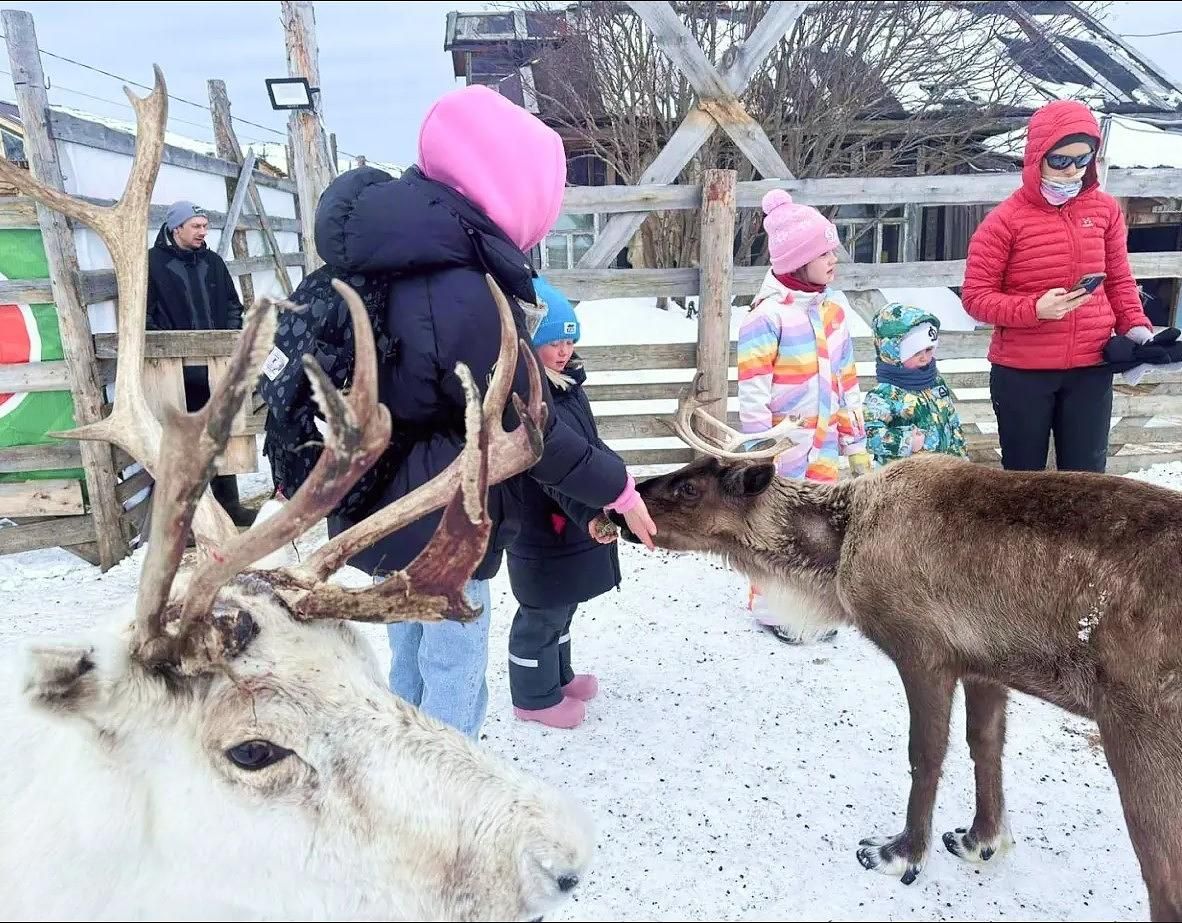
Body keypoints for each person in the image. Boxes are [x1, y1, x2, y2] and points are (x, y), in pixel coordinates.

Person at [312, 85, 655, 741]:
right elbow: (526, 426)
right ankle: (447, 790)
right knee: (454, 667)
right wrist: (614, 484)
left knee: (409, 652)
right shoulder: (462, 291)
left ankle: (401, 758)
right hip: (447, 525)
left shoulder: (384, 261)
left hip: (381, 510)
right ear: (510, 193)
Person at [962, 99, 1154, 474]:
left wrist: (1135, 328)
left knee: (1086, 481)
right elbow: (976, 297)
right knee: (1024, 482)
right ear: (1037, 158)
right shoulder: (1004, 221)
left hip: (1091, 365)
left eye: (1082, 160)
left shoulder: (1105, 210)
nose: (1072, 171)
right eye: (1061, 160)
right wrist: (1034, 309)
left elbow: (1118, 276)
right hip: (1024, 371)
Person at [738, 189, 870, 644]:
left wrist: (856, 443)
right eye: (822, 251)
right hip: (784, 449)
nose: (834, 257)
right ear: (797, 260)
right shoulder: (766, 317)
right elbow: (752, 390)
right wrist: (759, 453)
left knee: (821, 526)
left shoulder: (834, 312)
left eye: (831, 248)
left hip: (827, 445)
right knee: (776, 525)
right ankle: (773, 607)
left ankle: (813, 605)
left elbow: (846, 383)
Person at [506, 278, 622, 730]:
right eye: (553, 340)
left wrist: (615, 475)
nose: (563, 351)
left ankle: (559, 677)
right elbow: (550, 473)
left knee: (564, 604)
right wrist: (591, 510)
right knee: (541, 611)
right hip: (543, 525)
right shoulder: (531, 399)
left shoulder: (568, 386)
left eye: (569, 340)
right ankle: (533, 698)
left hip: (571, 519)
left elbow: (588, 446)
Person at [146, 200, 254, 527]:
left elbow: (234, 305)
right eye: (196, 226)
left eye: (205, 226)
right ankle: (189, 516)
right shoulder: (152, 264)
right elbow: (144, 313)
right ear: (176, 227)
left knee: (220, 435)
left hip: (215, 368)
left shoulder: (213, 262)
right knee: (181, 442)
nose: (202, 232)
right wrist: (165, 347)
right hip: (173, 372)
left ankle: (229, 506)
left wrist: (231, 341)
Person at [864, 303, 968, 466]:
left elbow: (952, 423)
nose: (924, 358)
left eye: (928, 350)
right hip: (905, 481)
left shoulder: (935, 383)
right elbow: (870, 435)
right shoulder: (883, 395)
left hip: (946, 474)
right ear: (894, 354)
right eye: (916, 352)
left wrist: (963, 462)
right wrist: (907, 441)